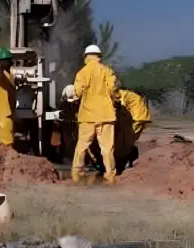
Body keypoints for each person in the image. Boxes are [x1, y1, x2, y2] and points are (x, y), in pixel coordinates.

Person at [64, 45, 118, 184]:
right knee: (107, 148)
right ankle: (110, 175)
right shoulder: (108, 71)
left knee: (82, 146)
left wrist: (71, 97)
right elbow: (114, 90)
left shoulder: (82, 73)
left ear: (86, 57)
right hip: (106, 115)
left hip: (87, 116)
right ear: (99, 56)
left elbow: (77, 93)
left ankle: (77, 174)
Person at [114, 87, 151, 173]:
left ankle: (125, 162)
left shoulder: (121, 94)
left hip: (137, 119)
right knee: (127, 140)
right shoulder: (128, 94)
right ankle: (130, 161)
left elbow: (120, 107)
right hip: (140, 118)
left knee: (125, 141)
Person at [0, 48, 16, 147]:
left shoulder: (9, 75)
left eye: (10, 60)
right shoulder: (0, 74)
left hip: (7, 112)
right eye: (7, 60)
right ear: (1, 62)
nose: (10, 62)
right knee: (6, 141)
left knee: (4, 139)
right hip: (3, 114)